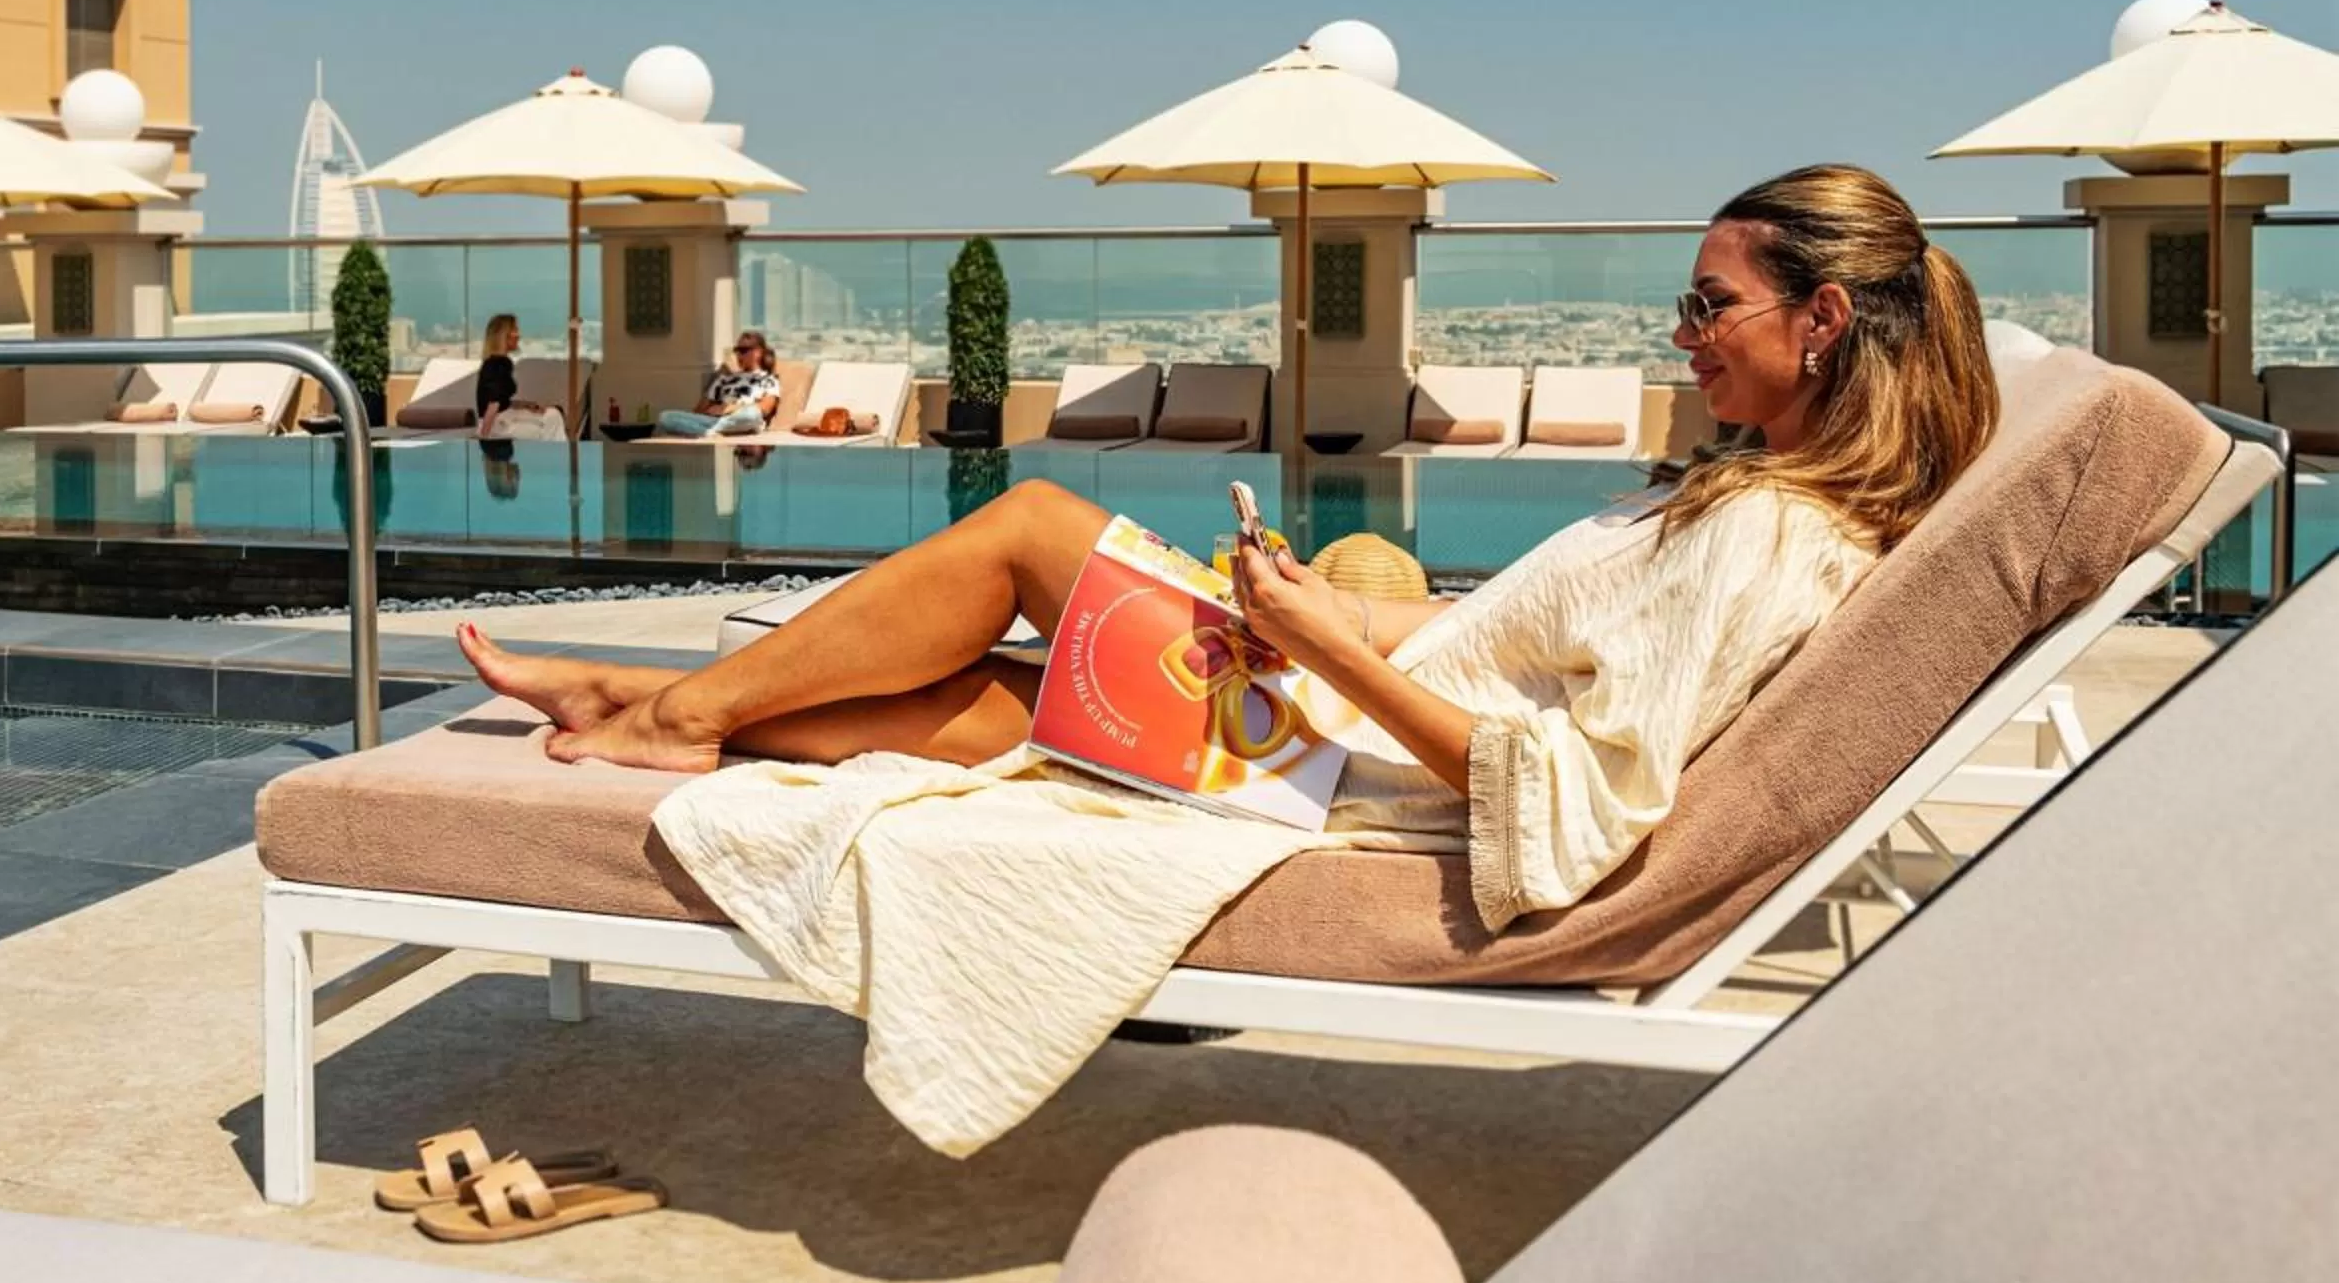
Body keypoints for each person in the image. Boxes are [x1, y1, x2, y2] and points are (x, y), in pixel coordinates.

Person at [460, 165, 1999, 931]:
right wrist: (1326, 611)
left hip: (1329, 764)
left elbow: (1578, 798)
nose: (1686, 335)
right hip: (1319, 719)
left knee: (1028, 529)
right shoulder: (1747, 497)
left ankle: (671, 712)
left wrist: (1325, 648)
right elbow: (1535, 668)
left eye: (1709, 307)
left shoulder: (1770, 538)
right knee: (1000, 693)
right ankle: (646, 707)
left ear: (1822, 321)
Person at [656, 332, 784, 439]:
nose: (738, 355)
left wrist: (730, 408)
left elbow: (764, 408)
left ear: (758, 353)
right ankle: (711, 432)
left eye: (743, 351)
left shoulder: (768, 379)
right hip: (713, 420)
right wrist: (710, 412)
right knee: (665, 417)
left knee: (752, 414)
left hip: (743, 419)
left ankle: (706, 431)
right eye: (736, 350)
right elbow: (698, 411)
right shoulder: (724, 379)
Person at [473, 314, 560, 440]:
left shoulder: (498, 363)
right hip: (496, 424)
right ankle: (556, 455)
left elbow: (501, 400)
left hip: (502, 418)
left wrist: (527, 405)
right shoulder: (498, 364)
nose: (518, 335)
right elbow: (493, 404)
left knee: (553, 415)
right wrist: (484, 437)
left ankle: (556, 454)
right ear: (504, 335)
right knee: (548, 424)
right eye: (515, 330)